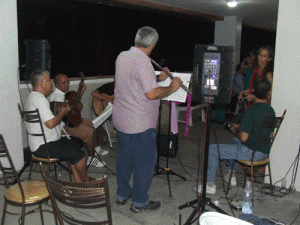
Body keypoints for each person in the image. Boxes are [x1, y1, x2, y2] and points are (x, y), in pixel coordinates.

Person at [113, 26, 183, 213]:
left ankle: (122, 195)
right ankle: (140, 202)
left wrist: (157, 79)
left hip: (122, 121)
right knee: (145, 164)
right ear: (152, 45)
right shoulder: (143, 61)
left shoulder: (122, 56)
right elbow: (151, 94)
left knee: (124, 161)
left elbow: (134, 84)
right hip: (140, 124)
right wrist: (172, 87)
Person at [195, 77, 275, 194]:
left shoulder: (251, 111)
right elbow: (268, 132)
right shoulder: (271, 110)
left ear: (253, 91)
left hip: (251, 153)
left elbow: (243, 137)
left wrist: (235, 130)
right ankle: (231, 175)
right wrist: (240, 128)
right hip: (264, 152)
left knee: (212, 149)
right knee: (234, 141)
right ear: (268, 93)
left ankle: (209, 184)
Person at [24, 70, 91, 183]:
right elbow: (50, 124)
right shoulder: (39, 100)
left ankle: (77, 180)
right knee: (80, 155)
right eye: (50, 80)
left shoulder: (32, 97)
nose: (52, 83)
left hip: (43, 142)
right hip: (44, 146)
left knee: (72, 145)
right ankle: (86, 179)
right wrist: (63, 112)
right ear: (42, 83)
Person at [47, 73, 108, 167]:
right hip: (64, 126)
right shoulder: (57, 97)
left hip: (69, 121)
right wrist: (77, 107)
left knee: (90, 123)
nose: (67, 84)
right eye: (64, 83)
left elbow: (73, 105)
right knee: (89, 132)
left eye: (68, 81)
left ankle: (96, 148)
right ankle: (91, 158)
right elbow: (66, 115)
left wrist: (81, 91)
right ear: (57, 85)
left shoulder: (62, 94)